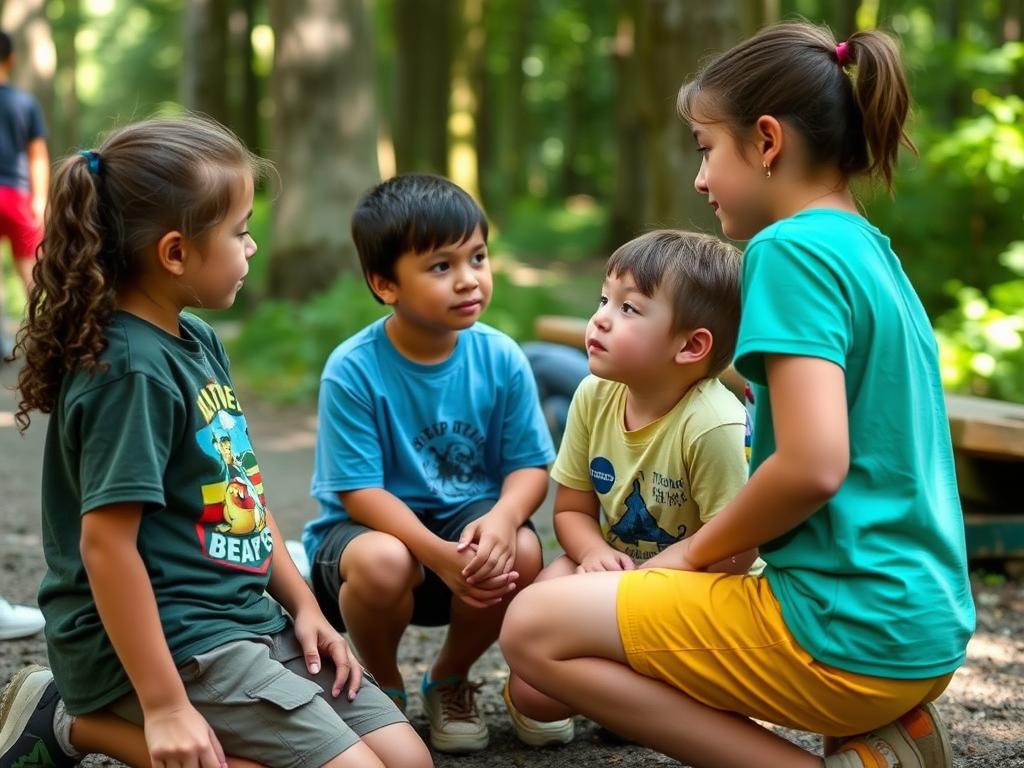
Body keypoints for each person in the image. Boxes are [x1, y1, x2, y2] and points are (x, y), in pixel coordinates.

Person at [500, 21, 974, 768]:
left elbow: (814, 464)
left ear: (765, 141)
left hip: (843, 635)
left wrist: (686, 557)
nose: (698, 179)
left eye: (706, 149)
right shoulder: (867, 249)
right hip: (923, 631)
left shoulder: (788, 250)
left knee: (531, 628)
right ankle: (887, 745)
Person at [0, 117, 429, 768]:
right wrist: (166, 706)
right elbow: (106, 547)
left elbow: (243, 492)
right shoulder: (132, 373)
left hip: (241, 621)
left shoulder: (196, 340)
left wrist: (305, 608)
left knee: (409, 759)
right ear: (175, 253)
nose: (252, 247)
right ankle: (68, 721)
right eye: (241, 230)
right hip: (168, 643)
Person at [302, 173, 557, 754]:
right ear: (385, 283)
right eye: (441, 267)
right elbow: (359, 493)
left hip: (460, 533)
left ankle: (449, 677)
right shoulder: (353, 368)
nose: (469, 279)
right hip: (366, 544)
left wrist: (500, 519)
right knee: (386, 560)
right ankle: (381, 686)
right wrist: (435, 553)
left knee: (519, 546)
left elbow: (529, 467)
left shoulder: (501, 357)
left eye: (478, 257)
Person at [504, 229, 758, 746]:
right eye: (604, 300)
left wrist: (642, 587)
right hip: (615, 567)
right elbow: (572, 510)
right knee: (532, 692)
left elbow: (736, 550)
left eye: (630, 309)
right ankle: (626, 702)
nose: (599, 317)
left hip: (698, 592)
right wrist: (593, 551)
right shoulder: (594, 394)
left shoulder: (713, 425)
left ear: (691, 346)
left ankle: (648, 704)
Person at [0, 30, 47, 300]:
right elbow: (37, 155)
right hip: (18, 196)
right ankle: (41, 334)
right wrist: (39, 200)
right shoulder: (24, 102)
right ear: (12, 59)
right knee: (30, 274)